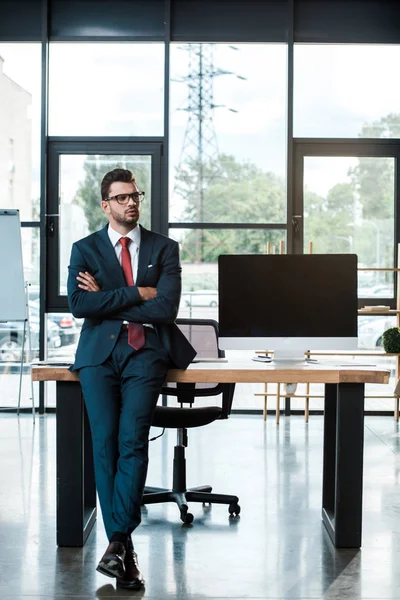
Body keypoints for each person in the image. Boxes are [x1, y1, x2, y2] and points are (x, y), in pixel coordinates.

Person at [67, 168, 196, 590]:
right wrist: (139, 292)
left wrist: (109, 297)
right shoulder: (84, 248)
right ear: (106, 205)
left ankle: (119, 542)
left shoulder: (165, 248)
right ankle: (123, 548)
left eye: (135, 196)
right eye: (121, 198)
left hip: (146, 353)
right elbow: (80, 304)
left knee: (132, 440)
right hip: (98, 356)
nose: (131, 203)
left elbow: (165, 310)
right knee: (103, 445)